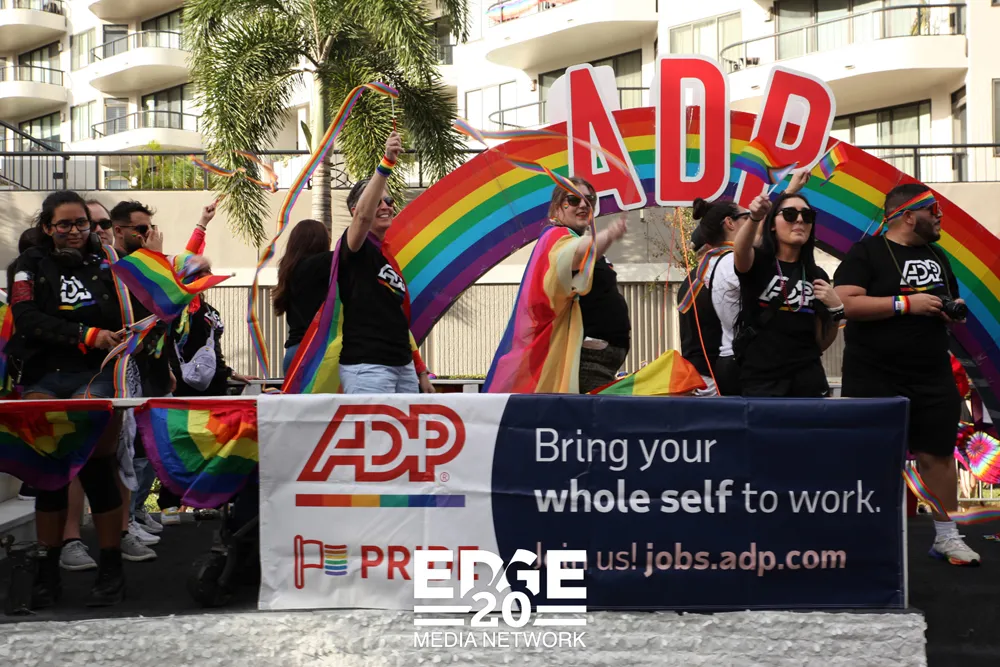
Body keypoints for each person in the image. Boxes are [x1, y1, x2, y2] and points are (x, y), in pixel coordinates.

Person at [834, 183, 979, 566]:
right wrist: (905, 304)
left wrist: (950, 308)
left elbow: (947, 298)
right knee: (872, 456)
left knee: (939, 455)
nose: (940, 217)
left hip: (932, 372)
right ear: (908, 215)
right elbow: (843, 303)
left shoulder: (937, 254)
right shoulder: (866, 252)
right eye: (933, 210)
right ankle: (868, 538)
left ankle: (948, 537)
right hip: (874, 374)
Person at [7, 190, 127, 607]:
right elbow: (26, 319)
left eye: (81, 223)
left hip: (97, 376)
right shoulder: (27, 266)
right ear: (47, 227)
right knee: (50, 474)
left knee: (97, 469)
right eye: (64, 224)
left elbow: (136, 312)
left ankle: (111, 569)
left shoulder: (110, 264)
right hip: (44, 377)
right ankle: (47, 573)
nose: (75, 231)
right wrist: (87, 334)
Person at [283, 131, 434, 394]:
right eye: (377, 202)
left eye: (389, 200)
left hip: (402, 367)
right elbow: (363, 219)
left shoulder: (387, 257)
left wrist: (420, 370)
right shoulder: (354, 247)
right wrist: (386, 163)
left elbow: (398, 319)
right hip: (369, 367)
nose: (385, 206)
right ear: (356, 210)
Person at [484, 178, 628, 394]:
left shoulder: (574, 239)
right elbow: (578, 255)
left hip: (600, 361)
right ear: (557, 206)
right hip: (585, 361)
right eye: (574, 199)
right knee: (586, 416)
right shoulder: (556, 237)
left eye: (589, 200)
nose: (583, 205)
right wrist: (610, 233)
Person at [731, 191, 843, 397]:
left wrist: (837, 311)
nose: (800, 220)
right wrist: (755, 217)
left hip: (808, 383)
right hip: (762, 381)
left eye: (807, 216)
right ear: (773, 224)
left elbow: (819, 344)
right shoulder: (758, 263)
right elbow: (740, 250)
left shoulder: (817, 275)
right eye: (790, 214)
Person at [678, 198, 750, 396]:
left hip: (697, 373)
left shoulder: (694, 276)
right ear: (729, 223)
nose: (753, 222)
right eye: (747, 217)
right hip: (716, 374)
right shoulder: (730, 266)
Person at [273, 219, 331, 374]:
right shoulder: (320, 263)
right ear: (319, 241)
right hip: (314, 351)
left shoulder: (289, 269)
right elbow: (349, 250)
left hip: (294, 351)